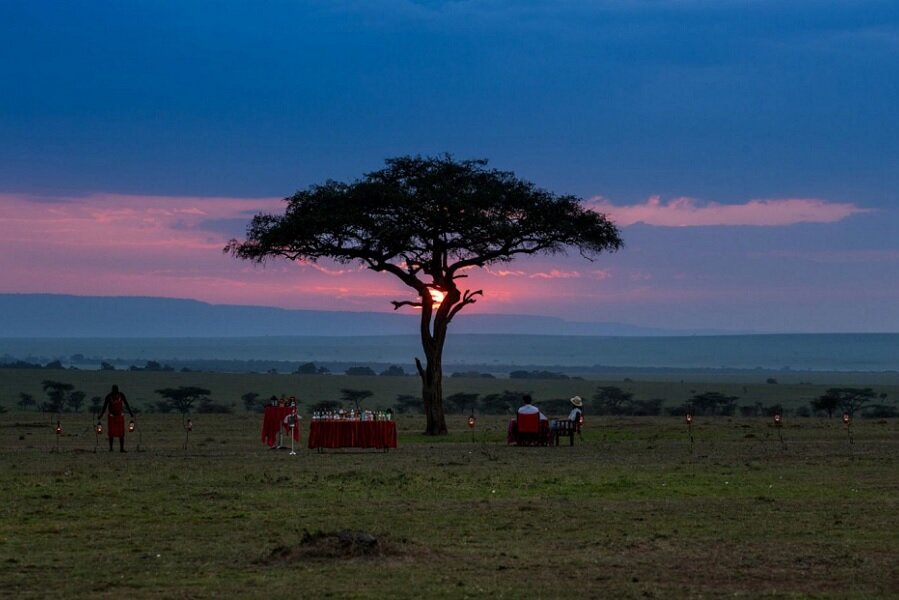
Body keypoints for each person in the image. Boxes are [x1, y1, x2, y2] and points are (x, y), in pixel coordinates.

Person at [97, 384, 134, 452]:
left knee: (121, 433)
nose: (115, 391)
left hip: (120, 416)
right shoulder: (109, 396)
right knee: (111, 433)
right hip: (112, 417)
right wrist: (101, 415)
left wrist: (131, 413)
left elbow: (126, 404)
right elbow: (104, 407)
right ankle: (111, 448)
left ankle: (121, 448)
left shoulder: (121, 395)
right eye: (114, 390)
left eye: (116, 389)